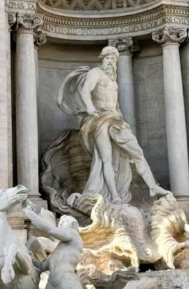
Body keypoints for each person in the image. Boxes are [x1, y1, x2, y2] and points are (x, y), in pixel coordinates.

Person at [58, 45, 164, 204]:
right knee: (106, 159)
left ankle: (153, 187)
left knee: (137, 152)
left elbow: (115, 103)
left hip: (116, 119)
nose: (111, 60)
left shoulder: (113, 80)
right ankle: (114, 196)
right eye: (108, 57)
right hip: (99, 118)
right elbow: (85, 90)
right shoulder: (96, 73)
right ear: (102, 59)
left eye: (114, 58)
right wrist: (89, 106)